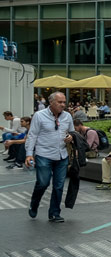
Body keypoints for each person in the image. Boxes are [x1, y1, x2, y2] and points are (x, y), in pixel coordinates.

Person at [24, 92, 74, 222]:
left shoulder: (67, 116)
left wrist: (71, 137)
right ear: (51, 102)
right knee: (43, 183)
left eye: (64, 102)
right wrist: (29, 154)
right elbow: (32, 135)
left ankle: (54, 213)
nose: (63, 105)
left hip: (62, 155)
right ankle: (34, 204)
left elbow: (72, 133)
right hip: (44, 154)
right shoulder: (39, 116)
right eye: (60, 102)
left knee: (59, 186)